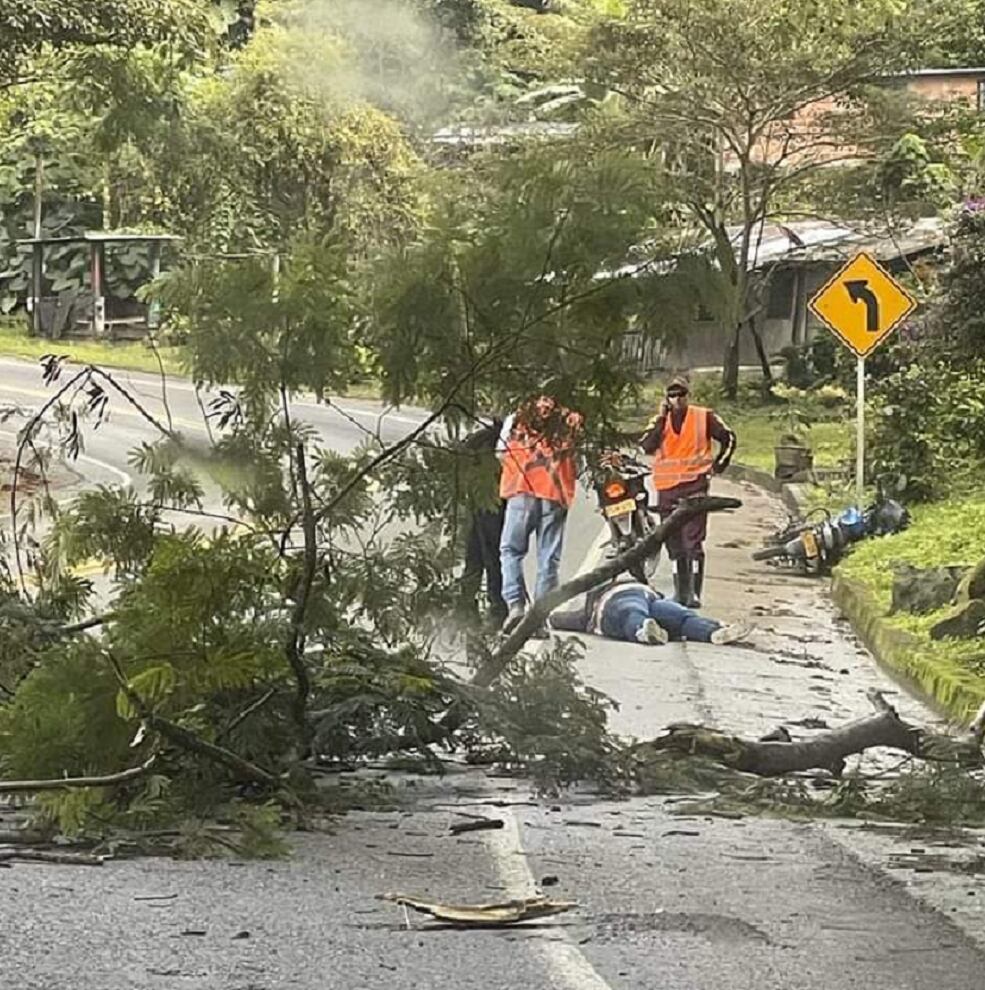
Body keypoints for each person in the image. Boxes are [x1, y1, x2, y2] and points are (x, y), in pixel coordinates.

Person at [639, 375, 736, 609]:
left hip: (695, 485)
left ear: (687, 395)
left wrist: (719, 464)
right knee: (672, 541)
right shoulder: (659, 421)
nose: (677, 399)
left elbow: (729, 438)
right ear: (666, 398)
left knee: (693, 540)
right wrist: (662, 418)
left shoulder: (704, 416)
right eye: (672, 395)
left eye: (680, 394)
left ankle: (694, 593)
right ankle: (679, 592)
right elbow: (646, 446)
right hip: (666, 489)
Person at [497, 394, 584, 632]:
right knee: (549, 558)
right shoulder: (571, 419)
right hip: (554, 493)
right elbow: (580, 454)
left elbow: (500, 451)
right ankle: (538, 618)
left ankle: (515, 605)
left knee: (511, 550)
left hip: (521, 489)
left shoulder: (517, 417)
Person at [548, 575, 751, 646]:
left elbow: (561, 619)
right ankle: (712, 631)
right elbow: (562, 619)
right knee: (680, 618)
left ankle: (643, 630)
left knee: (635, 613)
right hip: (641, 597)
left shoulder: (593, 609)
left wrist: (546, 618)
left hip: (633, 598)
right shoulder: (592, 611)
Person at [459, 417, 507, 627]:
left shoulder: (482, 440)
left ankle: (481, 605)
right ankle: (488, 605)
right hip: (488, 504)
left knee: (482, 555)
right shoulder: (492, 441)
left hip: (487, 503)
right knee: (487, 555)